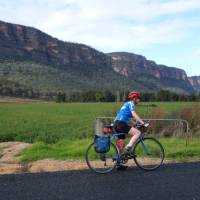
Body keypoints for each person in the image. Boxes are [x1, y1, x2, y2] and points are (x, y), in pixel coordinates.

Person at [114, 90, 148, 170]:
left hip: (116, 124)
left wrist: (135, 123)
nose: (139, 100)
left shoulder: (126, 104)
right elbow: (134, 114)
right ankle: (128, 148)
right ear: (134, 98)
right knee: (137, 133)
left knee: (120, 143)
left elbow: (128, 118)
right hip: (121, 124)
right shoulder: (131, 104)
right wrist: (143, 123)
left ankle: (118, 164)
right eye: (138, 98)